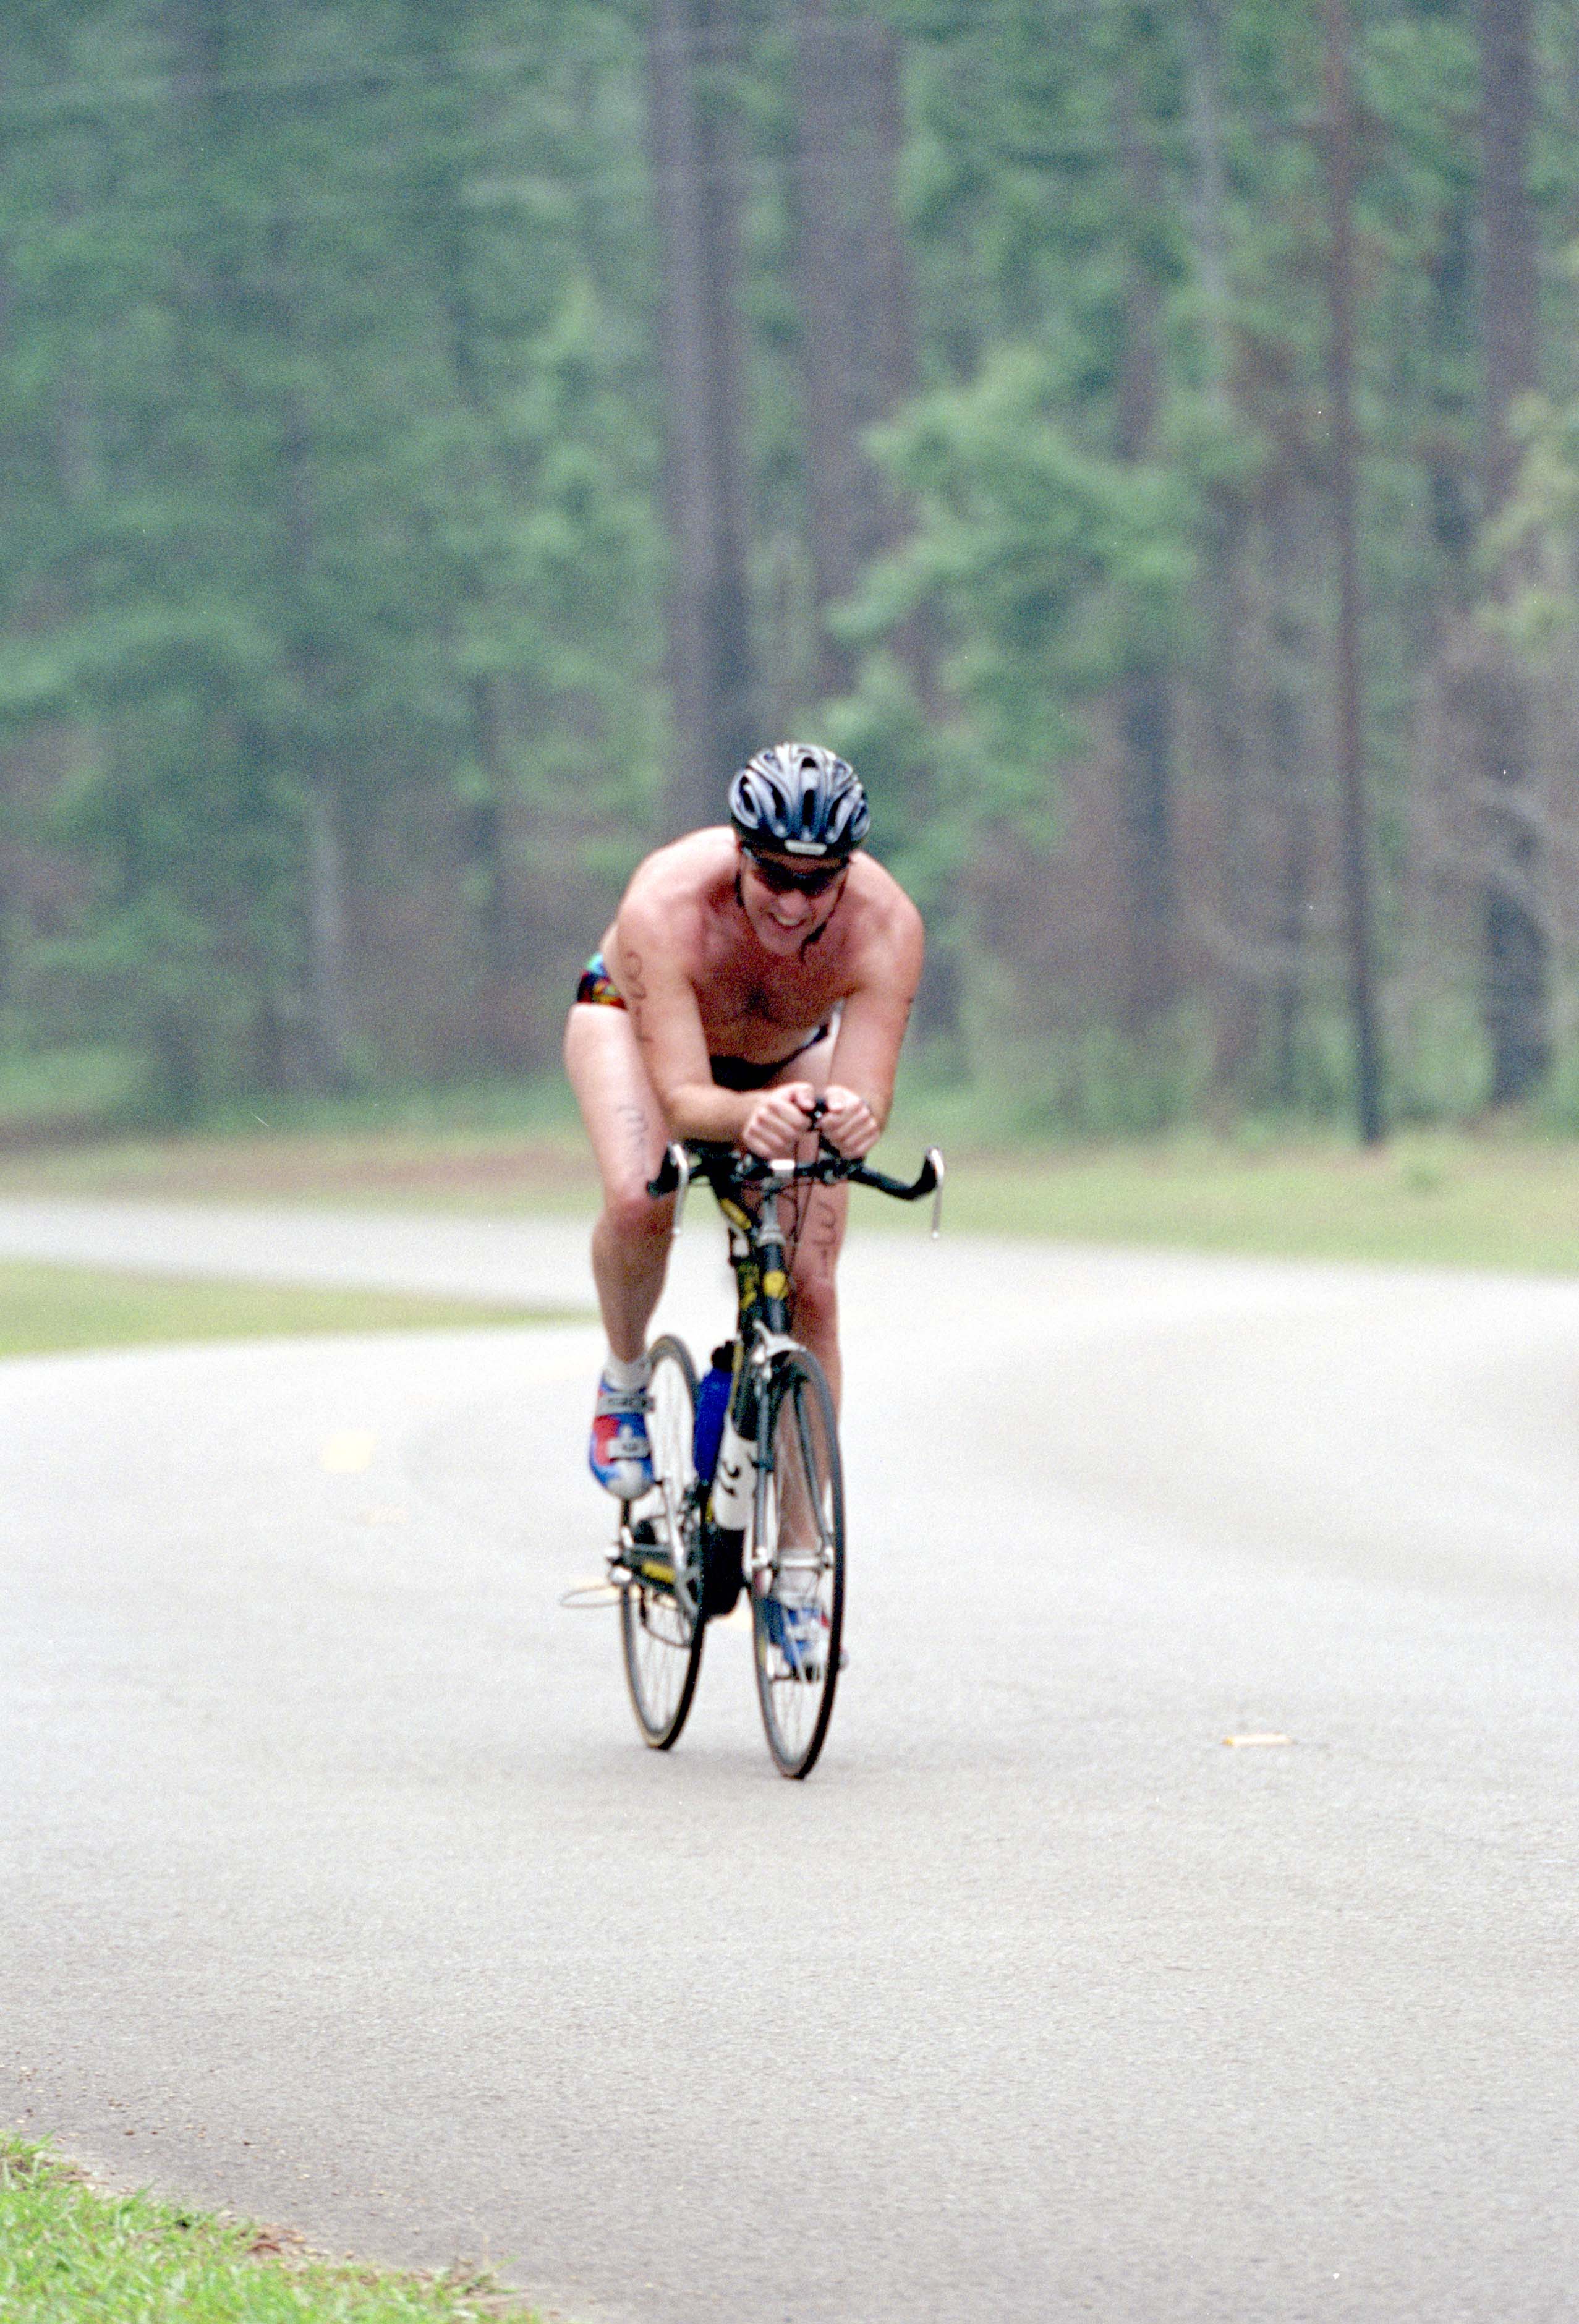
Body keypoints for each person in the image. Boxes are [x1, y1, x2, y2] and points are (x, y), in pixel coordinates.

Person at [564, 740, 925, 1498]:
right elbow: (686, 1101)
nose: (793, 905)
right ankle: (625, 1381)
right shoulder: (665, 906)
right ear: (739, 852)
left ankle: (798, 1567)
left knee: (812, 1286)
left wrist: (858, 1122)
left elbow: (866, 1097)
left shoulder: (887, 926)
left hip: (790, 1057)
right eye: (772, 877)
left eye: (818, 882)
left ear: (847, 871)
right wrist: (751, 1114)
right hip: (637, 1029)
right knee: (643, 1198)